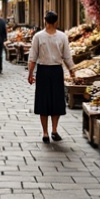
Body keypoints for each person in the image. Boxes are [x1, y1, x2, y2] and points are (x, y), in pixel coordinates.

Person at [27, 10, 76, 143]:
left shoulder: (38, 36)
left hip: (42, 71)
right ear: (56, 22)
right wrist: (72, 70)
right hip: (56, 71)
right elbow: (67, 56)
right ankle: (54, 129)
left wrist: (30, 73)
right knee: (56, 101)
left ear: (45, 21)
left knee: (43, 101)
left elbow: (33, 56)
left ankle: (45, 133)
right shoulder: (62, 36)